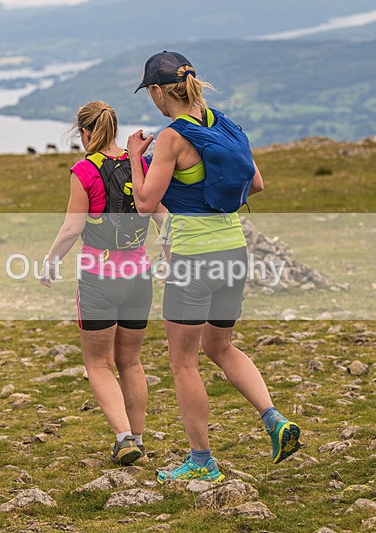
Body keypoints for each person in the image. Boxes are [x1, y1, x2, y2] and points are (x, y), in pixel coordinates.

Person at [127, 51, 302, 483]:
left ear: (155, 92)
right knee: (220, 347)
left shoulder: (171, 138)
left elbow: (146, 203)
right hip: (234, 250)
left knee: (183, 361)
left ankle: (202, 462)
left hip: (192, 259)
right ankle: (274, 419)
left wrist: (135, 155)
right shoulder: (222, 122)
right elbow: (256, 184)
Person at [41, 101, 166, 465]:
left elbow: (72, 228)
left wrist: (50, 262)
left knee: (98, 364)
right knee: (131, 361)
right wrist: (169, 254)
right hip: (139, 275)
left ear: (85, 133)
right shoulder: (140, 163)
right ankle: (138, 439)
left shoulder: (84, 170)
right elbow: (163, 218)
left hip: (100, 277)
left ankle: (123, 437)